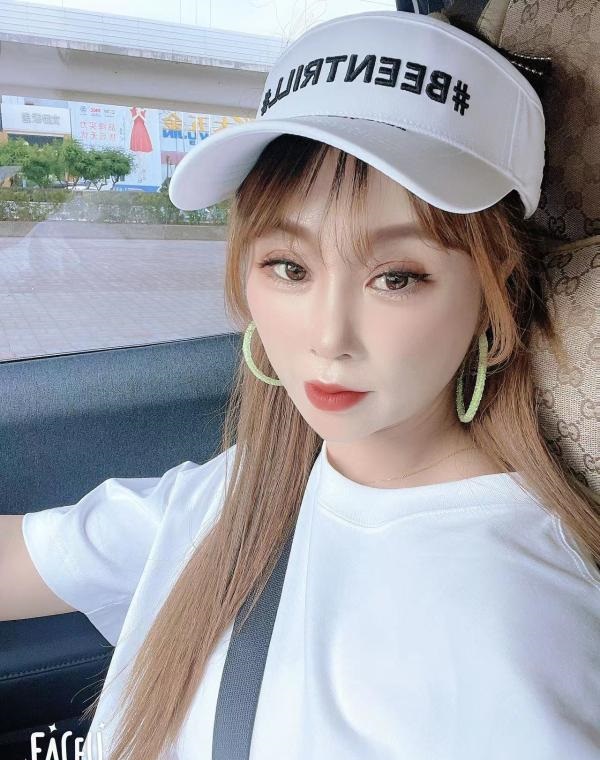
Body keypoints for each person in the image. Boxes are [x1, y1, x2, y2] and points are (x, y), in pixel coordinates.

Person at [3, 8, 600, 760]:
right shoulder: (242, 493)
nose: (327, 336)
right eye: (288, 266)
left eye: (396, 276)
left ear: (493, 292)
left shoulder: (514, 634)